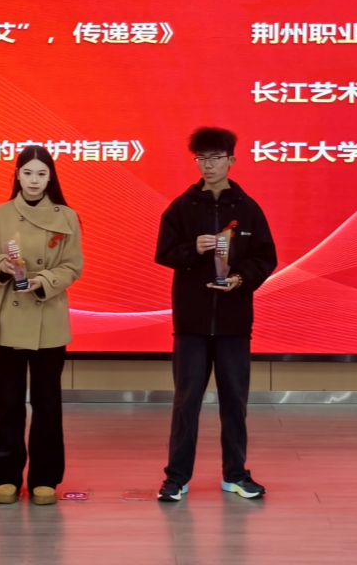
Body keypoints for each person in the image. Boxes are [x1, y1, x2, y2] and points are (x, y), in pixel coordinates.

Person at [154, 127, 277, 502]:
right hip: (191, 322)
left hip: (233, 322)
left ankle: (235, 474)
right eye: (202, 158)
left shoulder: (248, 208)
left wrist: (240, 279)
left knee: (234, 401)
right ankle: (176, 478)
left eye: (216, 158)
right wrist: (193, 248)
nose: (208, 165)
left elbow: (266, 257)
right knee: (186, 401)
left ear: (231, 160)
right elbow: (164, 253)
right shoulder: (182, 207)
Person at [0, 145, 84, 505]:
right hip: (8, 317)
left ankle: (45, 477)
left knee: (47, 403)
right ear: (17, 175)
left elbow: (73, 266)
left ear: (50, 177)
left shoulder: (67, 216)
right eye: (27, 173)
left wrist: (44, 280)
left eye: (41, 173)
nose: (34, 180)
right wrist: (1, 267)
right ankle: (5, 476)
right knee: (7, 403)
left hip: (48, 317)